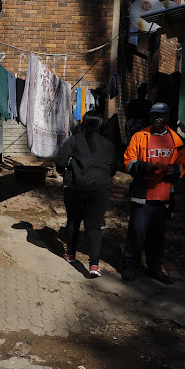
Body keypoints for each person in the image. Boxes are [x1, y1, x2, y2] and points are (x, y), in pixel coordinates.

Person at [121, 102, 185, 284]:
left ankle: (155, 268)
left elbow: (183, 164)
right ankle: (130, 266)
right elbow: (128, 161)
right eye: (153, 115)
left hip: (164, 196)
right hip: (142, 195)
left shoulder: (176, 140)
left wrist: (175, 170)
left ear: (167, 118)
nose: (156, 119)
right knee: (136, 232)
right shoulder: (139, 136)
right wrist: (141, 166)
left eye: (160, 116)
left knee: (157, 236)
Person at [55, 110, 116, 277]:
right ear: (101, 124)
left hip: (75, 188)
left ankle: (71, 255)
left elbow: (60, 162)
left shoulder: (74, 140)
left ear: (84, 122)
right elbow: (113, 169)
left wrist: (64, 171)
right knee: (94, 227)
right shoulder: (108, 145)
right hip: (100, 190)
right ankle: (94, 265)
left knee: (73, 221)